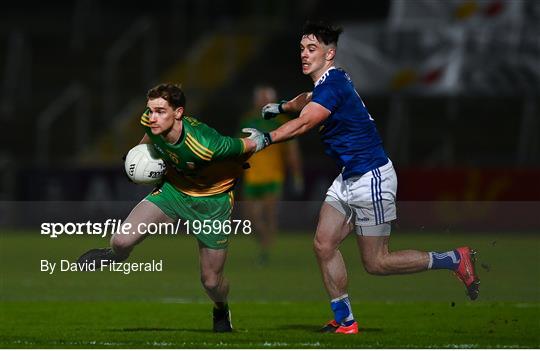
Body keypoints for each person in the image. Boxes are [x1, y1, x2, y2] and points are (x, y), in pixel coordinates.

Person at [242, 21, 480, 335]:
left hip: (372, 177)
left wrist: (265, 139)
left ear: (330, 53)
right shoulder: (331, 81)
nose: (303, 54)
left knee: (377, 262)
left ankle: (452, 259)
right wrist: (282, 106)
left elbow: (306, 122)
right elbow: (307, 99)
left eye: (311, 48)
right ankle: (345, 320)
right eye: (301, 48)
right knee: (323, 245)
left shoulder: (334, 85)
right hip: (349, 178)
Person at [78, 83, 259, 333]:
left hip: (211, 204)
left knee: (211, 281)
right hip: (173, 191)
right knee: (120, 241)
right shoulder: (152, 121)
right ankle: (115, 256)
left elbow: (247, 147)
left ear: (178, 112)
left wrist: (270, 135)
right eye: (151, 110)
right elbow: (147, 139)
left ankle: (221, 309)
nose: (152, 117)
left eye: (160, 111)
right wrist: (136, 161)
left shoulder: (204, 143)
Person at [239, 85, 304, 265]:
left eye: (265, 100)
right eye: (260, 99)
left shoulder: (282, 122)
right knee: (250, 219)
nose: (262, 103)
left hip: (273, 177)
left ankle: (265, 252)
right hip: (252, 177)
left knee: (270, 215)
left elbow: (292, 152)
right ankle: (263, 243)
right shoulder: (247, 121)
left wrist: (297, 175)